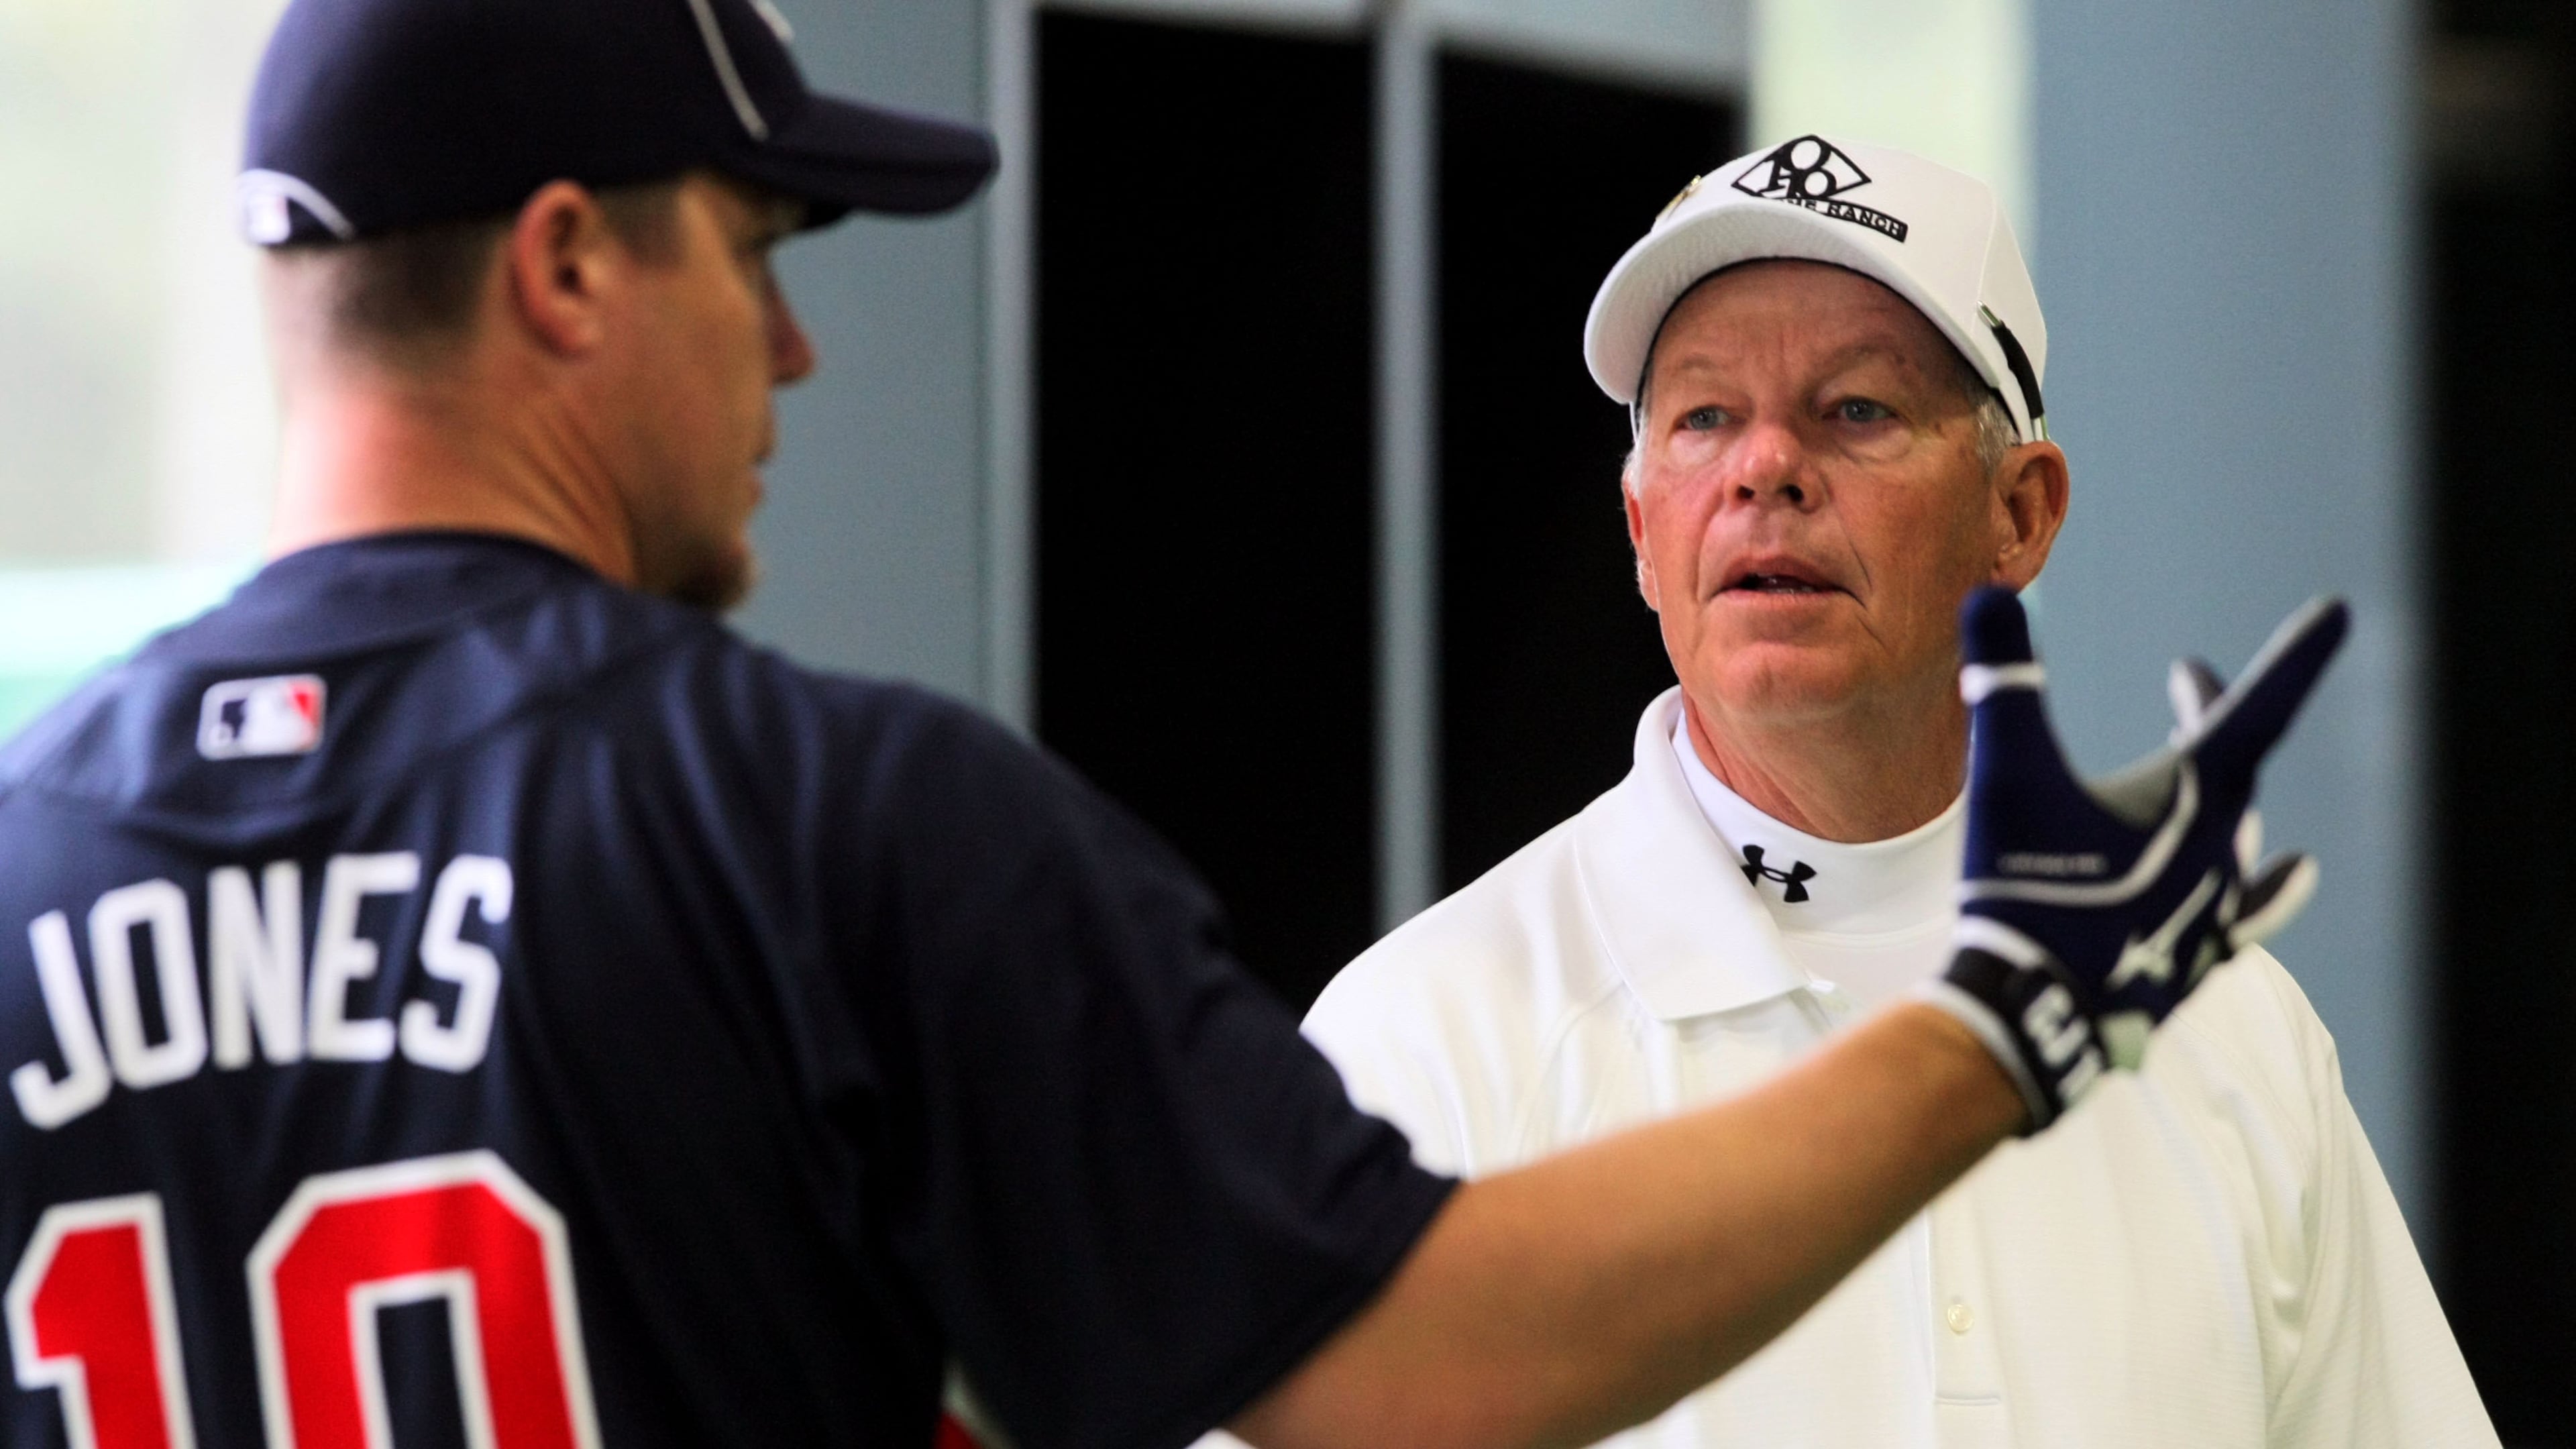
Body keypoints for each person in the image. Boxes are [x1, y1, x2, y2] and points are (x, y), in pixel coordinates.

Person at [0, 6, 2328, 1443]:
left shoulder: (23, 861)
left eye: (1858, 413)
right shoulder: (826, 824)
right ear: (570, 265)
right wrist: (2013, 1021)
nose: (798, 356)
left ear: (2014, 501)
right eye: (762, 248)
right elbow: (1401, 1377)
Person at [1283, 135, 2498, 1447]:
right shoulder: (1430, 1037)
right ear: (1643, 532)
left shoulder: (2225, 1027)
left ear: (2020, 516)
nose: (1763, 470)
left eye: (1855, 409)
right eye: (1702, 418)